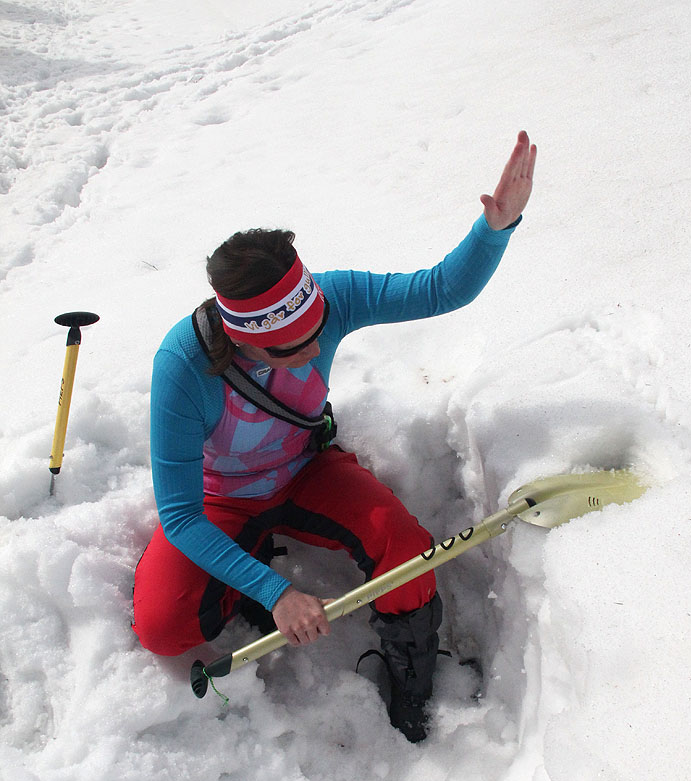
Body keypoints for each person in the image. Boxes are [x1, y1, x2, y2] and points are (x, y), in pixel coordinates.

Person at [133, 131, 536, 742]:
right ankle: (245, 577)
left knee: (405, 549)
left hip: (306, 471)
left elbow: (440, 288)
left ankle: (412, 676)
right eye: (290, 349)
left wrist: (496, 228)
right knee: (162, 626)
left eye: (318, 329)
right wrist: (274, 592)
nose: (313, 348)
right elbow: (182, 515)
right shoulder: (182, 366)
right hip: (221, 499)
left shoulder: (330, 296)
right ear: (242, 339)